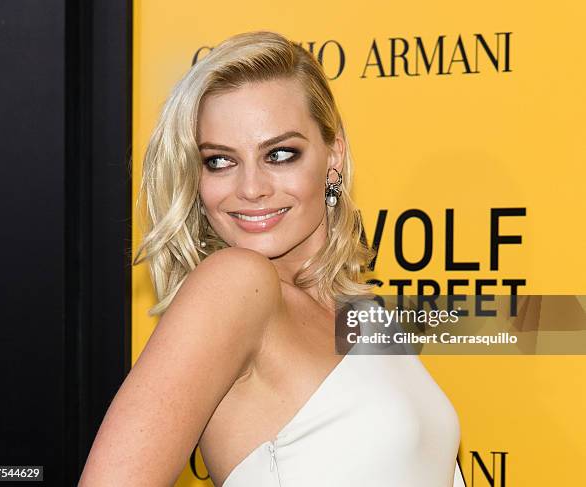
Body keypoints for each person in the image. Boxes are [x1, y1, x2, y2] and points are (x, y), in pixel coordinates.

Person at [78, 30, 465, 487]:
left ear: (333, 157)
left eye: (280, 154)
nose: (251, 188)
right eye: (220, 161)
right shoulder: (235, 284)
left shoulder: (361, 313)